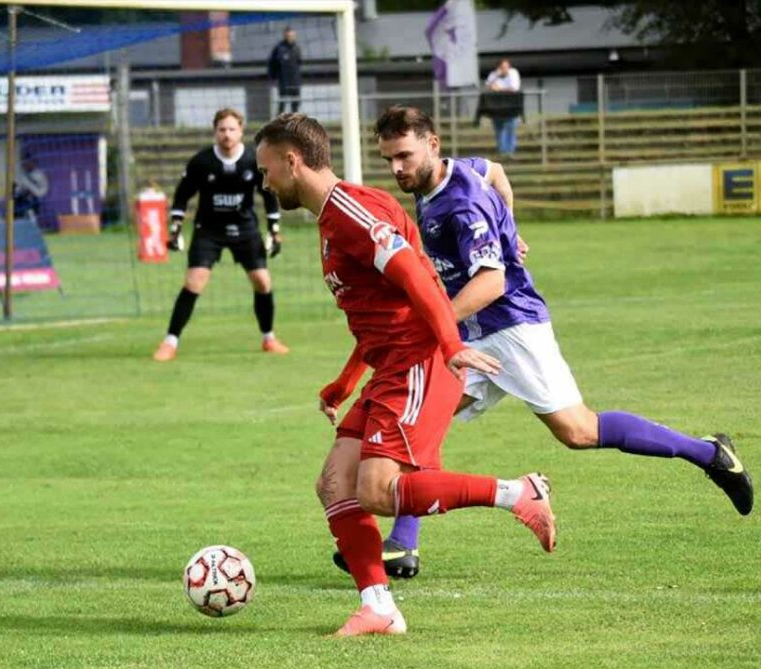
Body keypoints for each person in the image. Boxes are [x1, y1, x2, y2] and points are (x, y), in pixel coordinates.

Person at [331, 106, 753, 579]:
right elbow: (497, 170)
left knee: (578, 431)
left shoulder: (461, 203)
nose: (396, 169)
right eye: (389, 159)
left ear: (432, 144)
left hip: (511, 327)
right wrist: (510, 226)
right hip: (471, 332)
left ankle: (711, 454)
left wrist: (438, 321)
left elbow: (491, 282)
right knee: (422, 425)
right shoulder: (455, 171)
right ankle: (402, 544)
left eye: (404, 156)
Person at [253, 112, 557, 637]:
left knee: (376, 489)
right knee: (334, 484)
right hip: (392, 362)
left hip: (419, 359)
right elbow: (379, 311)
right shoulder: (334, 216)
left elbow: (415, 276)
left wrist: (449, 345)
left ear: (291, 161)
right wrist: (346, 381)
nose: (264, 182)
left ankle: (518, 493)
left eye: (265, 170)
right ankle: (379, 607)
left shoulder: (350, 211)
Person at [153, 108, 288, 362]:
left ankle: (269, 338)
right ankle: (170, 342)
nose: (227, 134)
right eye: (222, 129)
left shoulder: (253, 160)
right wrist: (176, 228)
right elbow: (182, 196)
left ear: (241, 131)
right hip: (209, 230)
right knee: (194, 282)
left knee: (262, 281)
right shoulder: (201, 162)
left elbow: (269, 194)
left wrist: (274, 230)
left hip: (245, 228)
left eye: (232, 129)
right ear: (215, 132)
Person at [484, 58, 521, 157]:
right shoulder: (493, 74)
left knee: (511, 128)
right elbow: (488, 87)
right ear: (498, 68)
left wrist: (499, 89)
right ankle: (502, 152)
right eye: (502, 67)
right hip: (497, 107)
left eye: (506, 67)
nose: (505, 69)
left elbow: (514, 88)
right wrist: (496, 76)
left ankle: (510, 152)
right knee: (499, 130)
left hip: (511, 106)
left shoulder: (513, 73)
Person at [267, 27, 303, 114]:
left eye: (292, 36)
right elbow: (272, 64)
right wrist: (272, 78)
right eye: (288, 36)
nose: (290, 37)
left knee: (295, 105)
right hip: (283, 82)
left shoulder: (297, 48)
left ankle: (295, 124)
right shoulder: (279, 48)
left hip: (295, 82)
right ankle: (279, 124)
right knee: (282, 104)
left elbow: (300, 62)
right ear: (285, 36)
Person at [13, 152, 49, 222]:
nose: (25, 165)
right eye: (23, 162)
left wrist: (31, 192)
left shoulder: (39, 175)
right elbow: (18, 188)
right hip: (21, 200)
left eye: (27, 162)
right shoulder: (21, 174)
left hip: (33, 200)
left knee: (30, 209)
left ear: (32, 162)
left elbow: (42, 191)